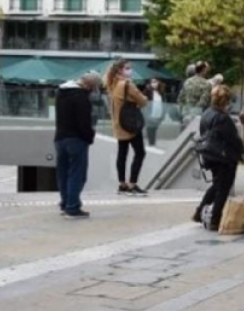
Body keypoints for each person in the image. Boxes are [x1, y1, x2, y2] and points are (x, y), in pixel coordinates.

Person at [194, 85, 244, 230]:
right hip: (224, 158)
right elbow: (233, 140)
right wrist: (241, 152)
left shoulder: (207, 113)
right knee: (223, 188)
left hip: (210, 155)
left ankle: (200, 212)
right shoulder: (223, 119)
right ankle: (215, 218)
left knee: (217, 184)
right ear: (225, 101)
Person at [55, 71, 101, 219]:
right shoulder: (81, 98)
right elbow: (84, 122)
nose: (93, 92)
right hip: (76, 139)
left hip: (60, 138)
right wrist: (89, 137)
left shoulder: (61, 93)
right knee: (77, 174)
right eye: (93, 88)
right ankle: (72, 207)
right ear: (88, 85)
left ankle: (65, 203)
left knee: (63, 173)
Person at [106, 58, 150, 197]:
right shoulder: (127, 84)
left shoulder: (113, 83)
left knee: (122, 153)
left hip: (118, 123)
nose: (130, 70)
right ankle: (132, 184)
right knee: (140, 152)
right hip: (130, 124)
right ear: (120, 69)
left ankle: (122, 184)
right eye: (127, 68)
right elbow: (143, 101)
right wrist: (140, 101)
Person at [142, 78, 166, 147]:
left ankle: (152, 142)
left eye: (155, 82)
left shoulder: (161, 92)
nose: (154, 83)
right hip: (150, 114)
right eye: (152, 82)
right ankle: (151, 143)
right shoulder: (147, 91)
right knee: (150, 129)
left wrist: (163, 115)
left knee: (154, 129)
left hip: (158, 114)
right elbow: (144, 103)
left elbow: (163, 102)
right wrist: (147, 114)